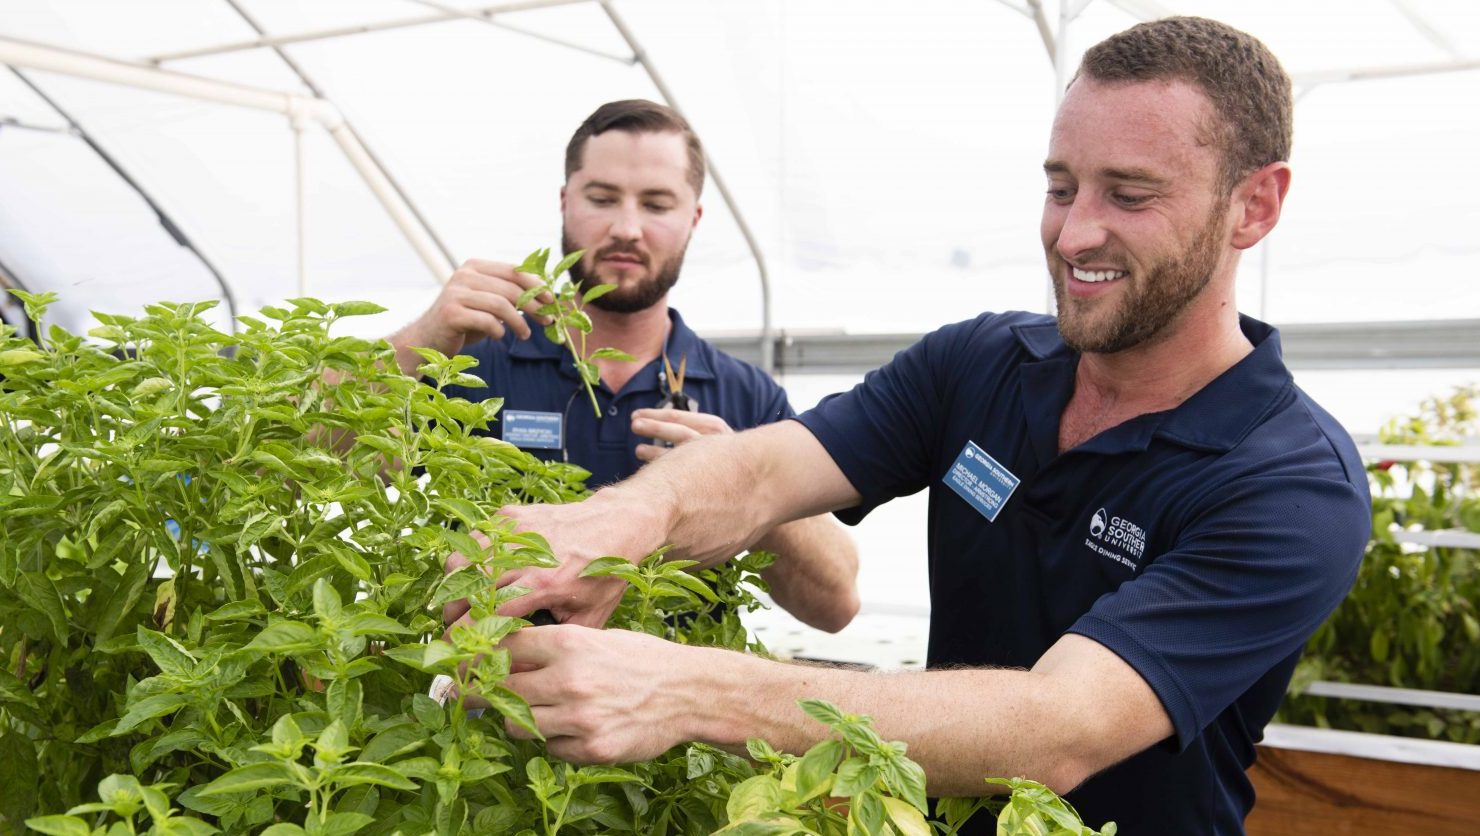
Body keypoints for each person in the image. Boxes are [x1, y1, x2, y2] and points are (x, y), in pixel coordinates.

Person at [450, 17, 1373, 835]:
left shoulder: (1289, 482)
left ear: (1254, 205)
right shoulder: (981, 364)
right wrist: (613, 526)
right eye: (1061, 187)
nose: (1074, 233)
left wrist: (687, 687)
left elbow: (1057, 731)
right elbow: (769, 470)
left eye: (1128, 195)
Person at [390, 99, 859, 632]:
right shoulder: (470, 363)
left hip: (676, 709)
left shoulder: (741, 395)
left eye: (657, 204)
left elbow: (835, 602)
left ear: (693, 218)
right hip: (487, 696)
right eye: (603, 198)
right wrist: (421, 338)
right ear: (566, 202)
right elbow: (298, 466)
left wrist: (739, 473)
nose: (627, 228)